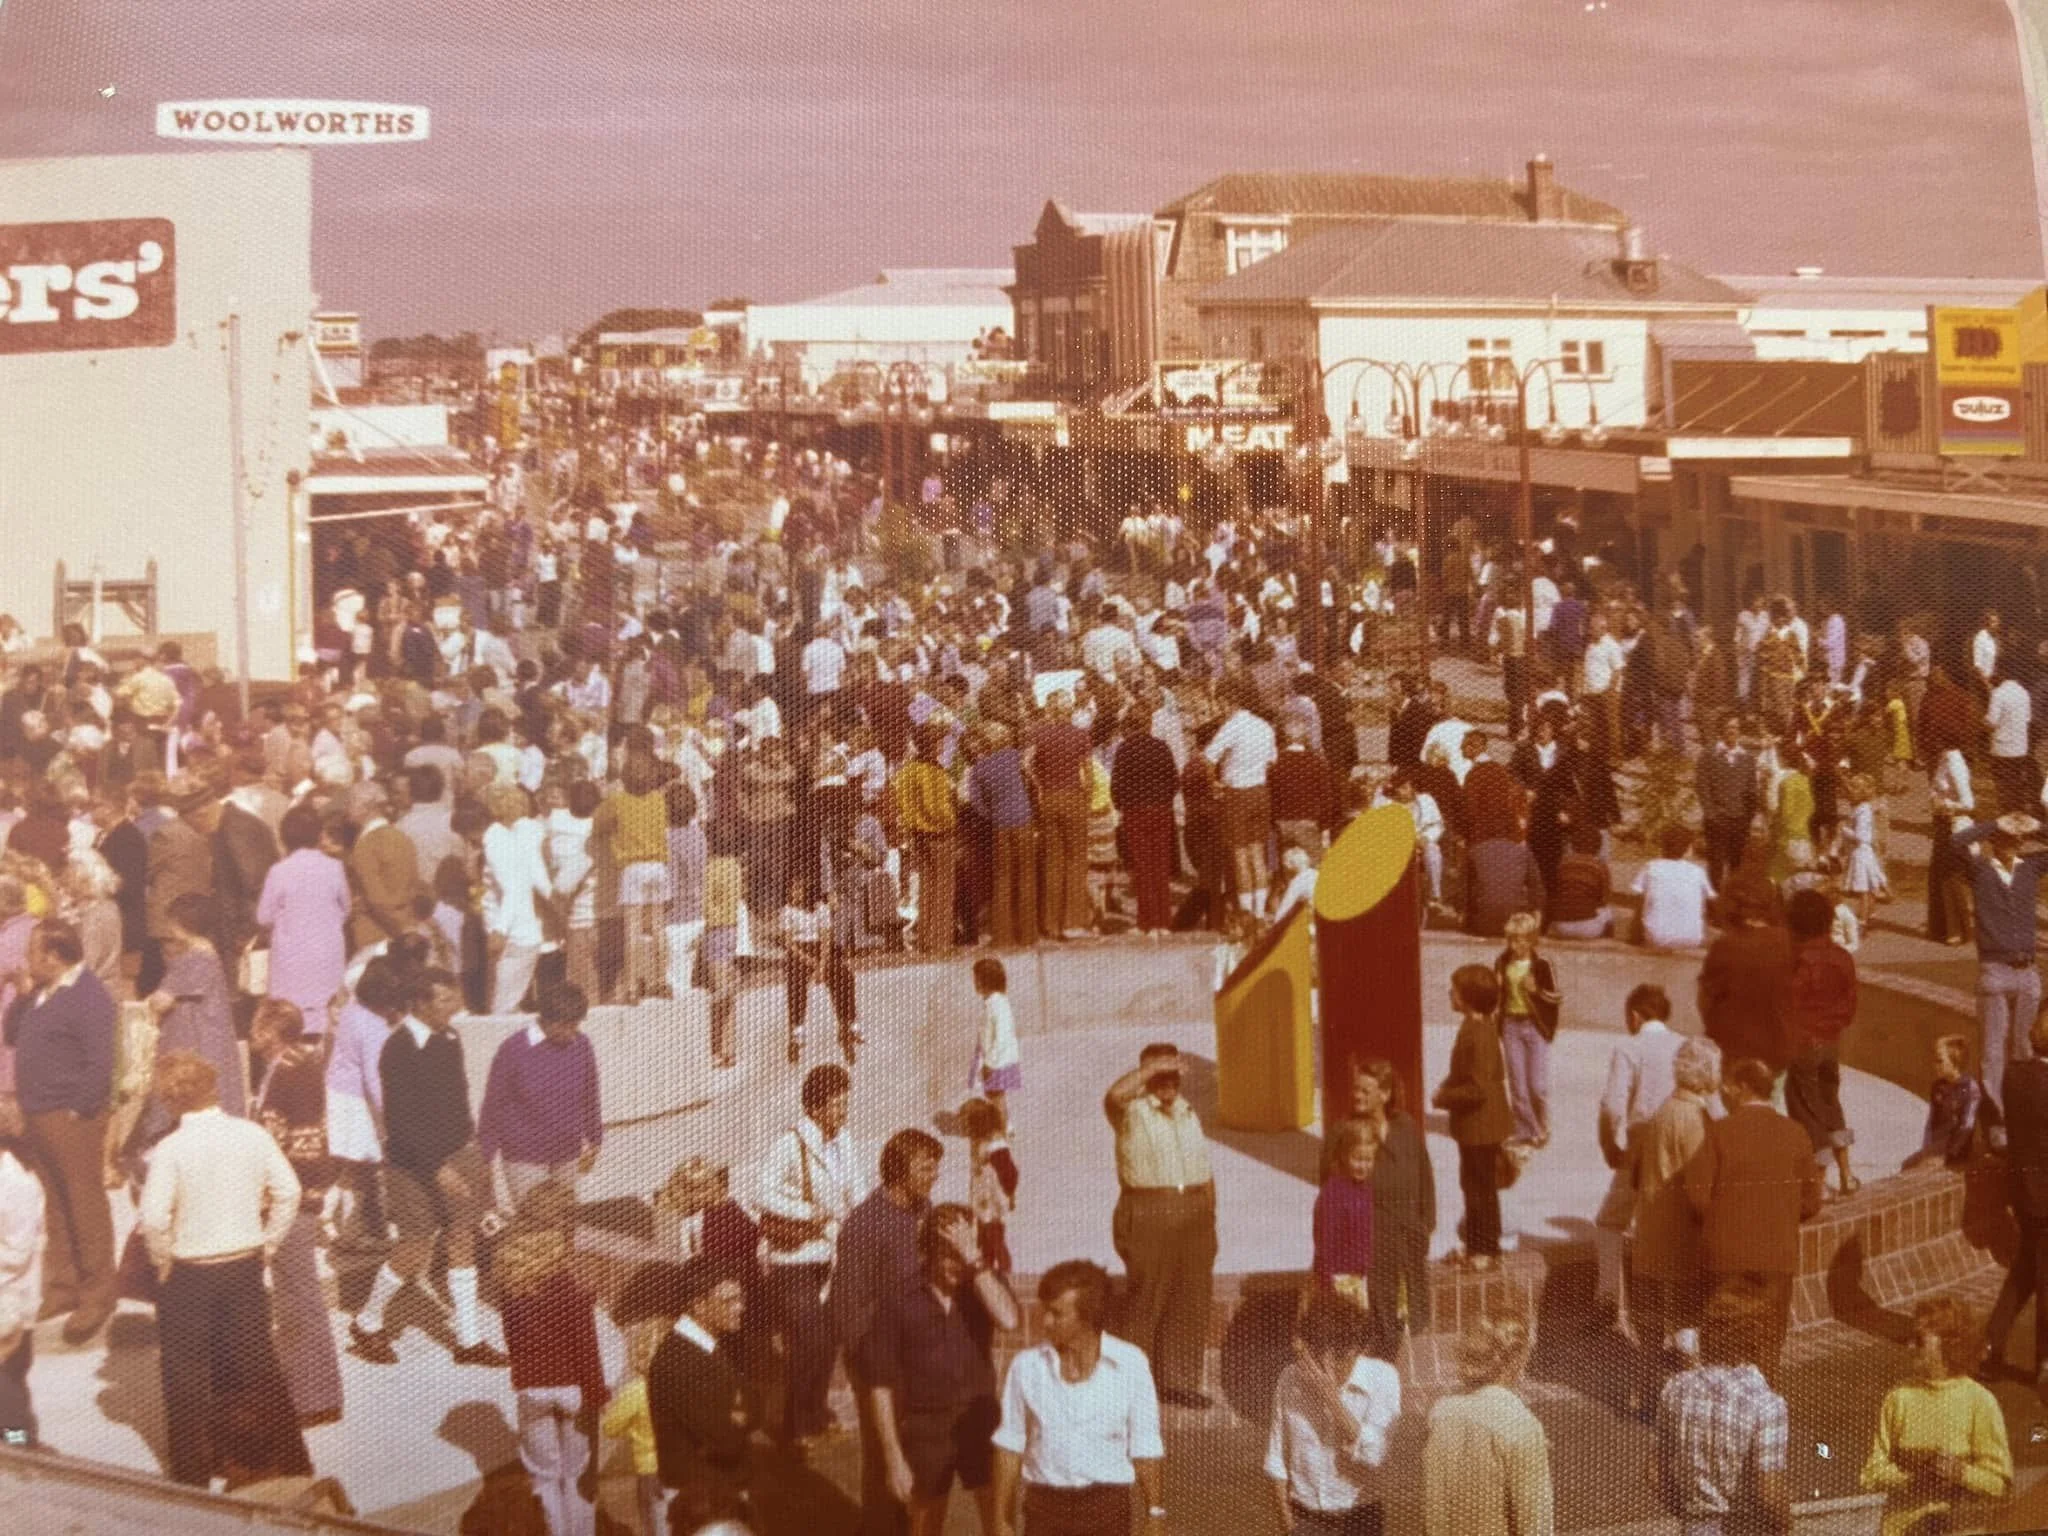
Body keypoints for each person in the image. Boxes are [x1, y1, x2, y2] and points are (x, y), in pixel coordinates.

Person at [136, 1050, 309, 1488]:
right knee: (257, 1366)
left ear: (170, 1101)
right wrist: (268, 1243)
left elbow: (154, 1218)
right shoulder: (251, 1135)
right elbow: (288, 1191)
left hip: (190, 1272)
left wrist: (162, 1260)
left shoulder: (170, 1149)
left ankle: (191, 1477)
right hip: (244, 1268)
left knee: (186, 1376)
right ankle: (289, 1462)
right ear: (213, 1088)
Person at [348, 967, 508, 1368]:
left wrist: (471, 1152)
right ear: (419, 1004)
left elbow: (457, 1101)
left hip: (457, 1153)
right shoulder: (398, 1049)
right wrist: (437, 1167)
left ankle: (469, 1341)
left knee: (462, 1239)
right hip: (412, 1165)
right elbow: (401, 1122)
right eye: (444, 1001)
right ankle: (367, 1323)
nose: (454, 1007)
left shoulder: (449, 1038)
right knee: (415, 1247)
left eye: (454, 998)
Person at [865, 1202, 1022, 1536]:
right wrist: (894, 1459)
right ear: (927, 1252)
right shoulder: (898, 1300)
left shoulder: (981, 1281)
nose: (958, 1264)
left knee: (1000, 1523)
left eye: (963, 1251)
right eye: (948, 1253)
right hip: (925, 1425)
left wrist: (974, 1261)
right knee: (923, 1526)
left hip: (981, 1417)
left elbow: (1009, 1320)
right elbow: (879, 1385)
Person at [989, 1258, 1166, 1536]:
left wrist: (1154, 1514)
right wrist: (1001, 1520)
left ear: (1088, 1317)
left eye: (1056, 1313)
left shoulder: (1131, 1363)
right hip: (1044, 1509)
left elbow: (1145, 1443)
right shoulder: (1027, 1366)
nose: (1045, 1321)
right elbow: (1009, 1445)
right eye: (1044, 1310)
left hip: (1108, 1509)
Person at [3, 917, 117, 1342]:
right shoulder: (44, 994)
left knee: (84, 1204)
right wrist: (21, 993)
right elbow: (14, 1034)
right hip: (40, 1113)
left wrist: (79, 1109)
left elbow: (100, 1061)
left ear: (53, 956)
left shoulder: (87, 996)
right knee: (56, 1203)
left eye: (33, 953)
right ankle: (65, 1284)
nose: (27, 960)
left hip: (70, 1116)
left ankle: (97, 1292)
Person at [1683, 1056, 1823, 1389]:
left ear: (1743, 1088)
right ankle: (1763, 1410)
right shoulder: (1795, 1133)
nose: (1725, 1095)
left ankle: (1721, 1413)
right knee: (1768, 1341)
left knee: (1722, 1340)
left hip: (1724, 1256)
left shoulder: (1718, 1133)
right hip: (1776, 1256)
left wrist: (1724, 1219)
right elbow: (1812, 1201)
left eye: (1728, 1087)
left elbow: (1697, 1196)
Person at [832, 1127, 945, 1536]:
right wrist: (875, 1364)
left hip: (919, 1358)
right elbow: (847, 1308)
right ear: (899, 1171)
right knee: (884, 1458)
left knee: (921, 1454)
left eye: (936, 1165)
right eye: (925, 1166)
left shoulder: (922, 1209)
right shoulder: (864, 1225)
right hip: (880, 1361)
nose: (934, 1174)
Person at [247, 998, 344, 1428]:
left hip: (294, 1197)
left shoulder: (292, 1072)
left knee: (298, 1297)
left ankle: (315, 1398)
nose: (252, 1032)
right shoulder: (295, 1065)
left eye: (257, 1025)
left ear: (271, 1031)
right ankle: (304, 1389)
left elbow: (296, 1140)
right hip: (294, 1192)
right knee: (293, 1295)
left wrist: (279, 1193)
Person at [1103, 1043, 1217, 1408]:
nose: (1167, 1080)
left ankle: (1179, 1382)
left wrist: (1210, 1209)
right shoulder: (1130, 1111)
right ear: (1145, 1073)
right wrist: (1153, 1067)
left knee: (1190, 1297)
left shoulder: (1188, 1111)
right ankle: (1135, 1387)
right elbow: (1114, 1094)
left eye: (1173, 1072)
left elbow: (1203, 1163)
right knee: (1146, 1297)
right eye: (1158, 1072)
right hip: (1148, 1209)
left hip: (1194, 1210)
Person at [758, 1063, 864, 1449]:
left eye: (844, 1102)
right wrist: (808, 1212)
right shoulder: (791, 1143)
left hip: (829, 1254)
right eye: (836, 1104)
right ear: (815, 1108)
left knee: (828, 1339)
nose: (842, 1111)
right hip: (794, 1259)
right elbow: (762, 1193)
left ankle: (815, 1413)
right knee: (810, 1338)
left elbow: (856, 1192)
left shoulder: (845, 1141)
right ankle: (796, 1423)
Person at [498, 1181, 609, 1536]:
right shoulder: (571, 1281)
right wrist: (596, 1393)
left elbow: (512, 1340)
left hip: (532, 1388)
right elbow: (586, 1345)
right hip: (573, 1389)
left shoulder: (511, 1279)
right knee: (578, 1475)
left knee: (545, 1477)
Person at [1648, 1275, 1793, 1536]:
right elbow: (1768, 1494)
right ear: (1757, 1343)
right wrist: (1785, 1529)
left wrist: (1690, 1516)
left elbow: (1656, 1474)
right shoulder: (1766, 1405)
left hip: (1695, 1526)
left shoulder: (1675, 1390)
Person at [1861, 1295, 2013, 1536]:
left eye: (1920, 1341)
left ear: (1950, 1344)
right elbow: (1871, 1472)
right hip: (1902, 1529)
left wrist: (1962, 1474)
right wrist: (1910, 1480)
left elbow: (2000, 1485)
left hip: (1960, 1527)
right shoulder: (1899, 1398)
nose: (1910, 1346)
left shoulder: (1979, 1402)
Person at [1631, 1037, 1724, 1409]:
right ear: (1706, 1075)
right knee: (1688, 1320)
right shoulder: (1696, 1120)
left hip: (1651, 1229)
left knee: (1651, 1326)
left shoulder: (1663, 1111)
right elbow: (1701, 1187)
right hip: (1683, 1235)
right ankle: (1690, 1402)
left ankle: (1647, 1394)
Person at [1265, 1292, 1400, 1536]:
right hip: (1304, 1519)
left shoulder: (1383, 1377)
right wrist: (1289, 1526)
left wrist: (1332, 1400)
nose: (1323, 1367)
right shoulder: (1289, 1379)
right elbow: (1276, 1459)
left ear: (1358, 1349)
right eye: (1316, 1355)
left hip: (1361, 1517)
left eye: (1337, 1359)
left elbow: (1374, 1455)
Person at [1593, 982, 1683, 1338]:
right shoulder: (1684, 1045)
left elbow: (1613, 1104)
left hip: (1643, 1141)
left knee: (1609, 1221)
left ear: (1634, 1016)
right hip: (1681, 1140)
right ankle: (1678, 1324)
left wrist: (1608, 1145)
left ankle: (1609, 1300)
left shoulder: (1629, 1047)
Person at [1950, 814, 2048, 1133]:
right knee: (1993, 1050)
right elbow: (1955, 843)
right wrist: (1995, 824)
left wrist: (2033, 825)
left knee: (2025, 1048)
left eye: (2017, 839)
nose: (2013, 844)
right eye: (2007, 839)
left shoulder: (2029, 868)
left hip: (2027, 972)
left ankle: (2023, 1109)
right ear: (1995, 842)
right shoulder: (1980, 870)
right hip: (1995, 970)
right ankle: (1996, 1117)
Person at [1421, 1308, 1554, 1536]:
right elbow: (1536, 1525)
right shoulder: (1520, 1425)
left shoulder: (1441, 1413)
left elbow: (1433, 1509)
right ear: (1519, 1358)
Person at [648, 1256, 754, 1531]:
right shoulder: (678, 1362)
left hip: (718, 1494)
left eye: (740, 1297)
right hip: (699, 1506)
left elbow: (755, 1401)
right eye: (729, 1300)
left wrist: (742, 1413)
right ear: (698, 1305)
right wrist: (741, 1414)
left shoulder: (712, 1345)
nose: (740, 1307)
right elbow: (726, 1439)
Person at [477, 980, 602, 1209]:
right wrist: (485, 1156)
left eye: (576, 1025)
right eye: (567, 1026)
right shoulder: (514, 1049)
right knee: (535, 1227)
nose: (572, 1033)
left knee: (565, 1223)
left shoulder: (582, 1045)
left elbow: (590, 1094)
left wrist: (595, 1139)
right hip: (525, 1157)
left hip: (568, 1153)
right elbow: (494, 1105)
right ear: (548, 1021)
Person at [1979, 1006, 2048, 1391]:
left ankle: (1991, 1343)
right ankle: (2044, 1364)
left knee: (2025, 1272)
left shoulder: (2016, 1076)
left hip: (2025, 1195)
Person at [1432, 964, 1511, 1272]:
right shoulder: (1477, 1026)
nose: (1450, 993)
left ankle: (1486, 1248)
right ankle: (1479, 1243)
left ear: (1468, 998)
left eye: (1455, 990)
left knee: (1480, 1189)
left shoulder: (1477, 1034)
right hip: (1478, 1125)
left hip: (1480, 1125)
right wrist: (1450, 1083)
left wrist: (1444, 1098)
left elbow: (1477, 1088)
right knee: (1474, 1186)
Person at [1782, 888, 1859, 1200]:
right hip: (1831, 1042)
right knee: (1830, 1104)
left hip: (1804, 1044)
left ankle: (1817, 1186)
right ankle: (1846, 1174)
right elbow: (1850, 1004)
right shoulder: (1842, 957)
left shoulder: (1798, 961)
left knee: (1806, 1112)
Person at [255, 805, 351, 1040]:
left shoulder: (279, 871)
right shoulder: (334, 867)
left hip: (291, 955)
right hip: (326, 953)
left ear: (283, 836)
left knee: (291, 1018)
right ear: (319, 834)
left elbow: (263, 916)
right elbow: (346, 908)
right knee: (325, 1015)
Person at [782, 867, 862, 1066]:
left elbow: (826, 938)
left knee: (844, 976)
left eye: (798, 889)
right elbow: (789, 943)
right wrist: (811, 963)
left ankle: (849, 1022)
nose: (794, 894)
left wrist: (822, 964)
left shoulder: (821, 908)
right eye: (792, 889)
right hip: (799, 951)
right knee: (795, 980)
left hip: (820, 949)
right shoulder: (787, 911)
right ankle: (797, 1029)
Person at [1494, 912, 1560, 1149]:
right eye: (1512, 939)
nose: (1517, 945)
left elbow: (1555, 997)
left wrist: (1535, 991)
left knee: (1537, 1086)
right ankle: (1526, 1130)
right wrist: (1496, 988)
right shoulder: (1501, 962)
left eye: (1522, 939)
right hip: (1511, 1025)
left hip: (1535, 1027)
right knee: (1518, 1085)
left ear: (1533, 940)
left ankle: (1542, 1125)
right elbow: (1497, 998)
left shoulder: (1543, 965)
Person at [0, 1112, 44, 1450]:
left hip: (10, 1301)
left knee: (7, 1389)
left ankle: (19, 1446)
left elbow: (17, 1252)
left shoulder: (15, 1184)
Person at [1311, 1120, 1375, 1309]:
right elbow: (1325, 1241)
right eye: (1357, 1159)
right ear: (1344, 1156)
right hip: (1338, 1279)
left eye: (1368, 1159)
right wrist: (1327, 1281)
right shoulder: (1334, 1193)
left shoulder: (1367, 1189)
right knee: (1344, 1333)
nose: (1362, 1166)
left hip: (1360, 1277)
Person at [1695, 712, 1758, 890]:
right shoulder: (1709, 754)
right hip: (1717, 819)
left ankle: (1733, 904)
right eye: (1729, 727)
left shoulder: (1747, 758)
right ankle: (1714, 905)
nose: (1732, 731)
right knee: (1716, 865)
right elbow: (1702, 786)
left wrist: (1748, 817)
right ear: (1721, 730)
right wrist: (1711, 813)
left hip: (1739, 820)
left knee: (1736, 864)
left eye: (1736, 728)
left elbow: (1752, 790)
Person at [1632, 826, 1715, 952]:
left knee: (1643, 899)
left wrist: (1635, 933)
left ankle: (1637, 936)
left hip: (1657, 937)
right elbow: (1712, 899)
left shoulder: (1651, 867)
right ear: (1689, 849)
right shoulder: (1698, 871)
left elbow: (1638, 900)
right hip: (1693, 938)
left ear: (1662, 847)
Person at [1904, 1036, 1981, 1171]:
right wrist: (1927, 1148)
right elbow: (1931, 1121)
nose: (1935, 1065)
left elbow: (1966, 1126)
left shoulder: (1970, 1089)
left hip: (1955, 1150)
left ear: (1955, 1062)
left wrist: (1949, 1155)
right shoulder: (1938, 1086)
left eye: (1940, 1061)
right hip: (1937, 1146)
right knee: (1907, 1166)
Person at [960, 1096, 1019, 1275]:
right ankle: (988, 1274)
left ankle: (1003, 1274)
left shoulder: (995, 1143)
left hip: (992, 1201)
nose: (966, 1129)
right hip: (984, 1199)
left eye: (968, 1124)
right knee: (985, 1239)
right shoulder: (982, 1142)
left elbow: (1009, 1171)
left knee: (994, 1238)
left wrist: (1009, 1193)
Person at [970, 956, 1021, 1134]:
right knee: (996, 1095)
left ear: (985, 981)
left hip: (998, 1059)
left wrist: (990, 1063)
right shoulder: (992, 1002)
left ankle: (1003, 1128)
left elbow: (1001, 1036)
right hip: (996, 1056)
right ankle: (1006, 1125)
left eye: (976, 979)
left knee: (996, 1096)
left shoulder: (997, 1004)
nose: (974, 983)